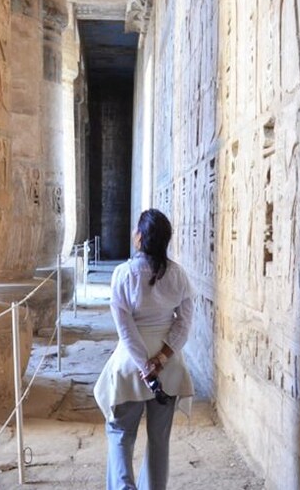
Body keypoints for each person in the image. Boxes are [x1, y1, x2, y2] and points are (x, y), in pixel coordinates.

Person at [93, 209, 195, 490]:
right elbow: (184, 323)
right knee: (159, 440)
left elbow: (125, 328)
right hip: (170, 368)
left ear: (140, 237)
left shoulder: (124, 274)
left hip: (131, 367)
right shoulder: (179, 275)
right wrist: (161, 359)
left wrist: (144, 364)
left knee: (120, 434)